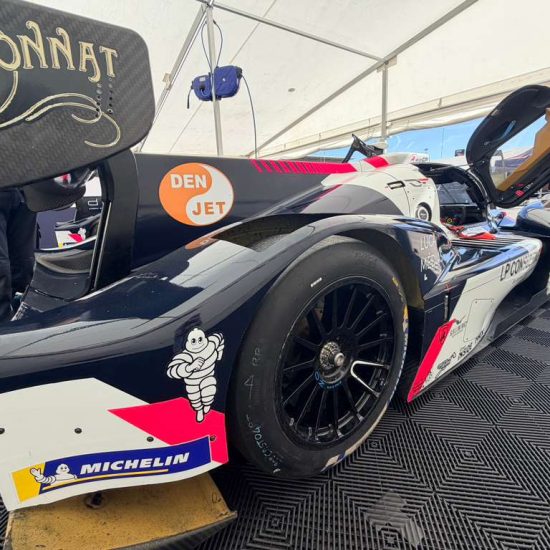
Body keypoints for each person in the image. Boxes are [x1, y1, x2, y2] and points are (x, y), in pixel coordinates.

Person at [0, 189, 36, 323]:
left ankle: (6, 321)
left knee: (22, 262)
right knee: (23, 261)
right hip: (25, 190)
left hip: (21, 190)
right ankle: (22, 315)